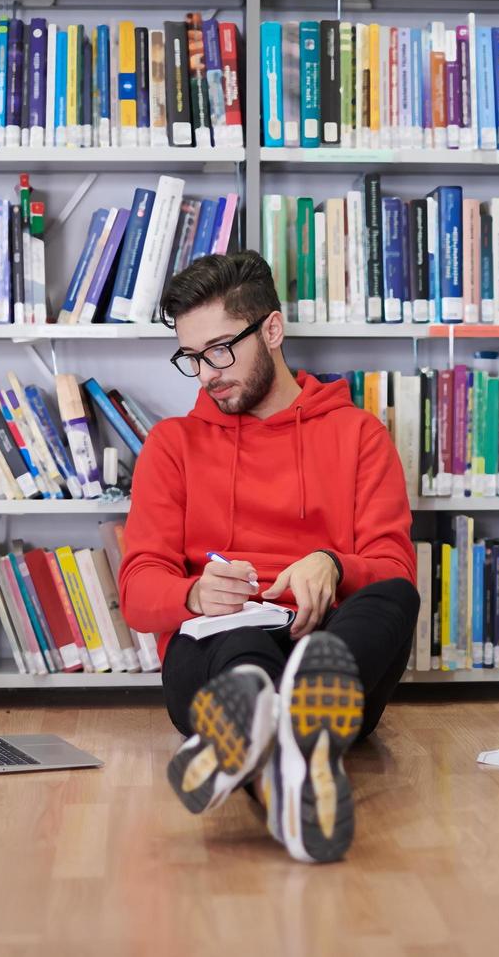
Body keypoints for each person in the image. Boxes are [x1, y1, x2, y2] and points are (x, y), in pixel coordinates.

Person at [118, 250, 419, 865]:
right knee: (240, 653)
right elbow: (138, 587)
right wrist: (196, 594)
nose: (206, 374)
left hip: (328, 642)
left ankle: (263, 738)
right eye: (192, 357)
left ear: (272, 331)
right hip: (222, 643)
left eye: (220, 350)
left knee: (392, 598)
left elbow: (393, 566)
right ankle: (294, 745)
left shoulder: (359, 435)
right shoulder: (171, 445)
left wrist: (333, 565)